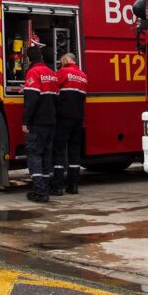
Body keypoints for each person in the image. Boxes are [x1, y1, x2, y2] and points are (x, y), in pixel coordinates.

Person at [21, 46, 59, 203]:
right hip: (51, 122)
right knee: (46, 156)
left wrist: (26, 121)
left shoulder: (33, 73)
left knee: (34, 155)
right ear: (41, 56)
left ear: (28, 59)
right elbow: (56, 98)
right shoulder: (52, 73)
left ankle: (40, 192)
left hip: (37, 122)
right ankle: (45, 188)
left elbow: (32, 100)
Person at [52, 53, 88, 195]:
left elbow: (51, 87)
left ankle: (58, 187)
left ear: (66, 60)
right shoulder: (83, 76)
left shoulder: (63, 73)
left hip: (63, 117)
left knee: (59, 151)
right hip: (78, 118)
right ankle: (73, 185)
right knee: (74, 152)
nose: (60, 64)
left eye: (61, 61)